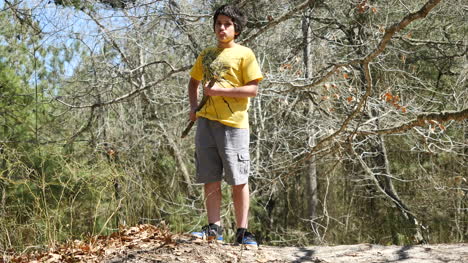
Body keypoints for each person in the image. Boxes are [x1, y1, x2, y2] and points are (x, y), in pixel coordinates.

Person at [187, 4, 263, 247]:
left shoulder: (245, 54)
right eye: (218, 23)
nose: (222, 28)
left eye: (227, 24)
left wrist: (221, 91)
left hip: (234, 125)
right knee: (210, 176)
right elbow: (193, 82)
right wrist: (193, 108)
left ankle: (243, 231)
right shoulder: (207, 55)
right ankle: (214, 228)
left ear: (236, 29)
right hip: (206, 123)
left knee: (238, 178)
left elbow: (253, 89)